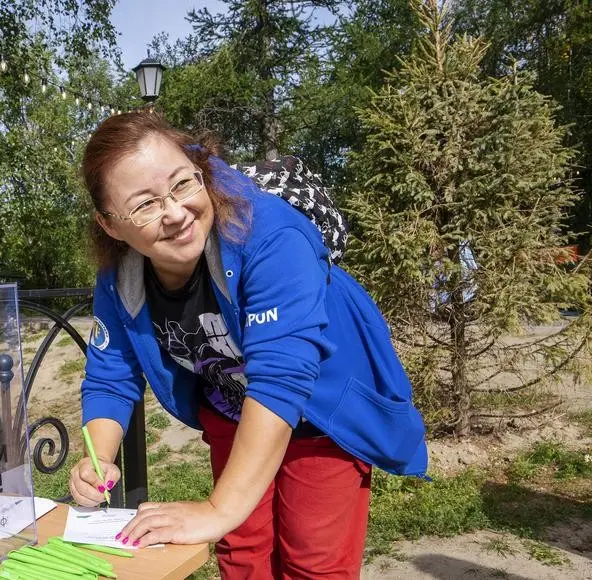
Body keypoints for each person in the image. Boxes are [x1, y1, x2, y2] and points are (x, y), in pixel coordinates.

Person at [67, 111, 428, 580]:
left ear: (200, 171)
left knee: (313, 562)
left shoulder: (271, 233)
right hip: (232, 407)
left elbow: (281, 379)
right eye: (145, 205)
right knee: (242, 553)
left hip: (321, 409)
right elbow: (110, 375)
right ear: (111, 225)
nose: (175, 213)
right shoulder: (119, 276)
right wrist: (98, 456)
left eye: (182, 184)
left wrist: (218, 508)